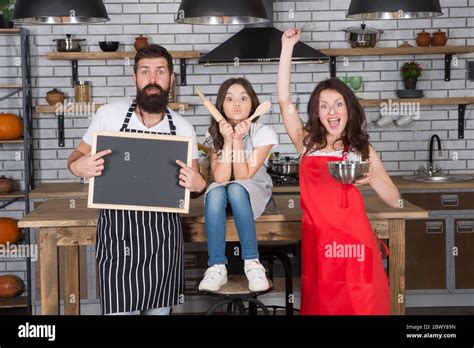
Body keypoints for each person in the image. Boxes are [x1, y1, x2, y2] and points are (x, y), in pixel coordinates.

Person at [67, 45, 206, 315]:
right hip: (118, 238)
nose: (152, 79)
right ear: (135, 78)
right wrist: (78, 167)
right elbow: (74, 159)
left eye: (160, 71)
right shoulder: (109, 115)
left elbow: (196, 184)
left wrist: (199, 185)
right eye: (145, 71)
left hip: (163, 239)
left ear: (171, 78)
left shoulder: (183, 127)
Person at [278, 29, 401, 315]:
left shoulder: (362, 150)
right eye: (324, 106)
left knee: (360, 307)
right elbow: (285, 101)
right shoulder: (306, 143)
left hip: (355, 245)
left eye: (337, 104)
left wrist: (372, 180)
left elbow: (395, 199)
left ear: (348, 108)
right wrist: (287, 48)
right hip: (318, 246)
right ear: (317, 113)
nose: (331, 112)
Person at [198, 78, 278, 292]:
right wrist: (227, 139)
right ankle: (217, 266)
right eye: (229, 98)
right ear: (221, 106)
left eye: (243, 98)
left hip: (254, 186)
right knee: (215, 193)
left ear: (252, 104)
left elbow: (243, 176)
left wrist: (239, 140)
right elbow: (221, 178)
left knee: (236, 188)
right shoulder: (214, 133)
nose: (236, 104)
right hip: (225, 187)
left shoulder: (263, 133)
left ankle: (252, 262)